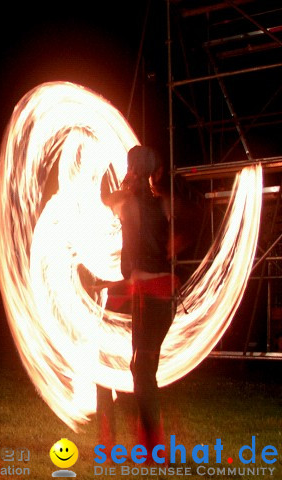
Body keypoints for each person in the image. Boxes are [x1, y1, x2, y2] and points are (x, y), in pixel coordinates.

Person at [103, 145, 179, 461]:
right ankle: (147, 441)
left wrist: (125, 183)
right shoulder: (163, 203)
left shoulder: (126, 200)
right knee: (144, 367)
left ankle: (153, 448)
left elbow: (106, 200)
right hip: (165, 294)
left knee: (142, 371)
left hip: (147, 294)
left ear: (133, 168)